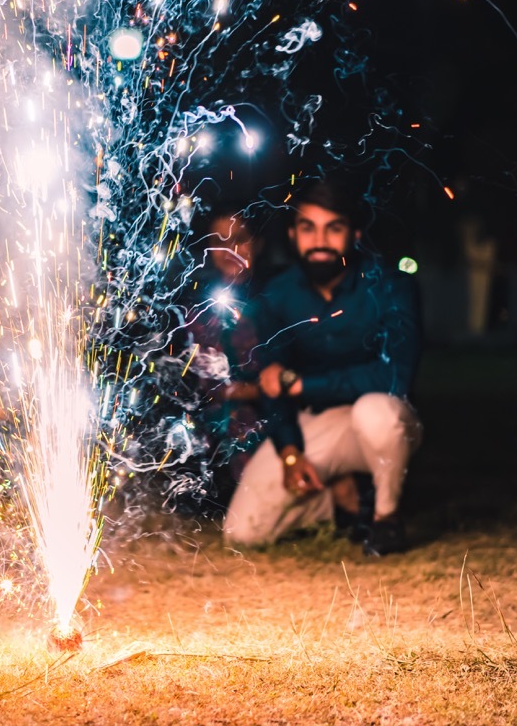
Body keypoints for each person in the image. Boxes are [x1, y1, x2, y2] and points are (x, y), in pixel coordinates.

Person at [222, 180, 423, 556]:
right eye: (308, 228)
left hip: (387, 422)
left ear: (355, 234)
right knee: (242, 533)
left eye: (334, 228)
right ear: (294, 234)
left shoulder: (390, 286)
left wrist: (301, 384)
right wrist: (290, 452)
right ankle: (339, 500)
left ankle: (386, 519)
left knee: (376, 413)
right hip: (320, 425)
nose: (320, 241)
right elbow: (272, 383)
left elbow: (393, 378)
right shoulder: (278, 296)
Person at [178, 209, 266, 512]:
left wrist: (256, 391)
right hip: (214, 414)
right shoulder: (198, 307)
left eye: (239, 240)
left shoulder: (273, 302)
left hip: (270, 413)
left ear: (258, 243)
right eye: (219, 241)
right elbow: (195, 379)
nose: (230, 251)